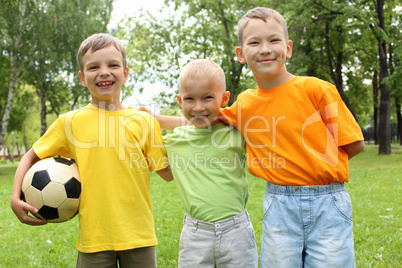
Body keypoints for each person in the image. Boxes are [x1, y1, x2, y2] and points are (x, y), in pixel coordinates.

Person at [143, 7, 365, 268]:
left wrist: (309, 164)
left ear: (288, 47)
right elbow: (205, 120)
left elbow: (354, 144)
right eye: (254, 42)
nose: (265, 49)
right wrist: (156, 120)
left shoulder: (316, 89)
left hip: (329, 200)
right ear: (241, 54)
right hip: (280, 203)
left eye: (273, 40)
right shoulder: (246, 104)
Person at [11, 33, 173, 268]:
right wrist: (15, 197)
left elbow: (167, 173)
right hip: (94, 239)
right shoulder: (70, 123)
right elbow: (31, 155)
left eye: (113, 65)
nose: (104, 72)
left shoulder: (145, 122)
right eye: (94, 67)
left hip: (139, 236)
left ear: (125, 73)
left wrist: (196, 134)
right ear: (82, 78)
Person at [162, 59, 258, 267]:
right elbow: (167, 173)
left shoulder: (236, 131)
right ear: (179, 100)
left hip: (236, 231)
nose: (198, 107)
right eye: (189, 99)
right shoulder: (175, 140)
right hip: (196, 234)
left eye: (207, 97)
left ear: (224, 98)